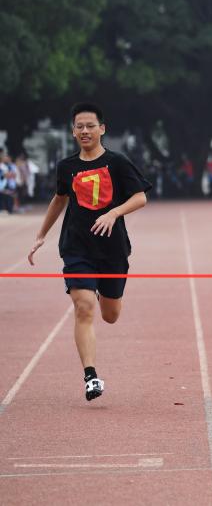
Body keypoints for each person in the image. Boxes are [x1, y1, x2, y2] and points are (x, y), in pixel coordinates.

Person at [27, 102, 152, 401]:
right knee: (83, 307)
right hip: (77, 247)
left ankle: (97, 290)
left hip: (112, 249)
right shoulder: (66, 167)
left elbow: (140, 198)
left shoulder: (117, 162)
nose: (85, 131)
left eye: (90, 126)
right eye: (79, 127)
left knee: (110, 315)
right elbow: (59, 199)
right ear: (73, 131)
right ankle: (91, 376)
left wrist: (114, 213)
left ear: (102, 129)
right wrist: (41, 235)